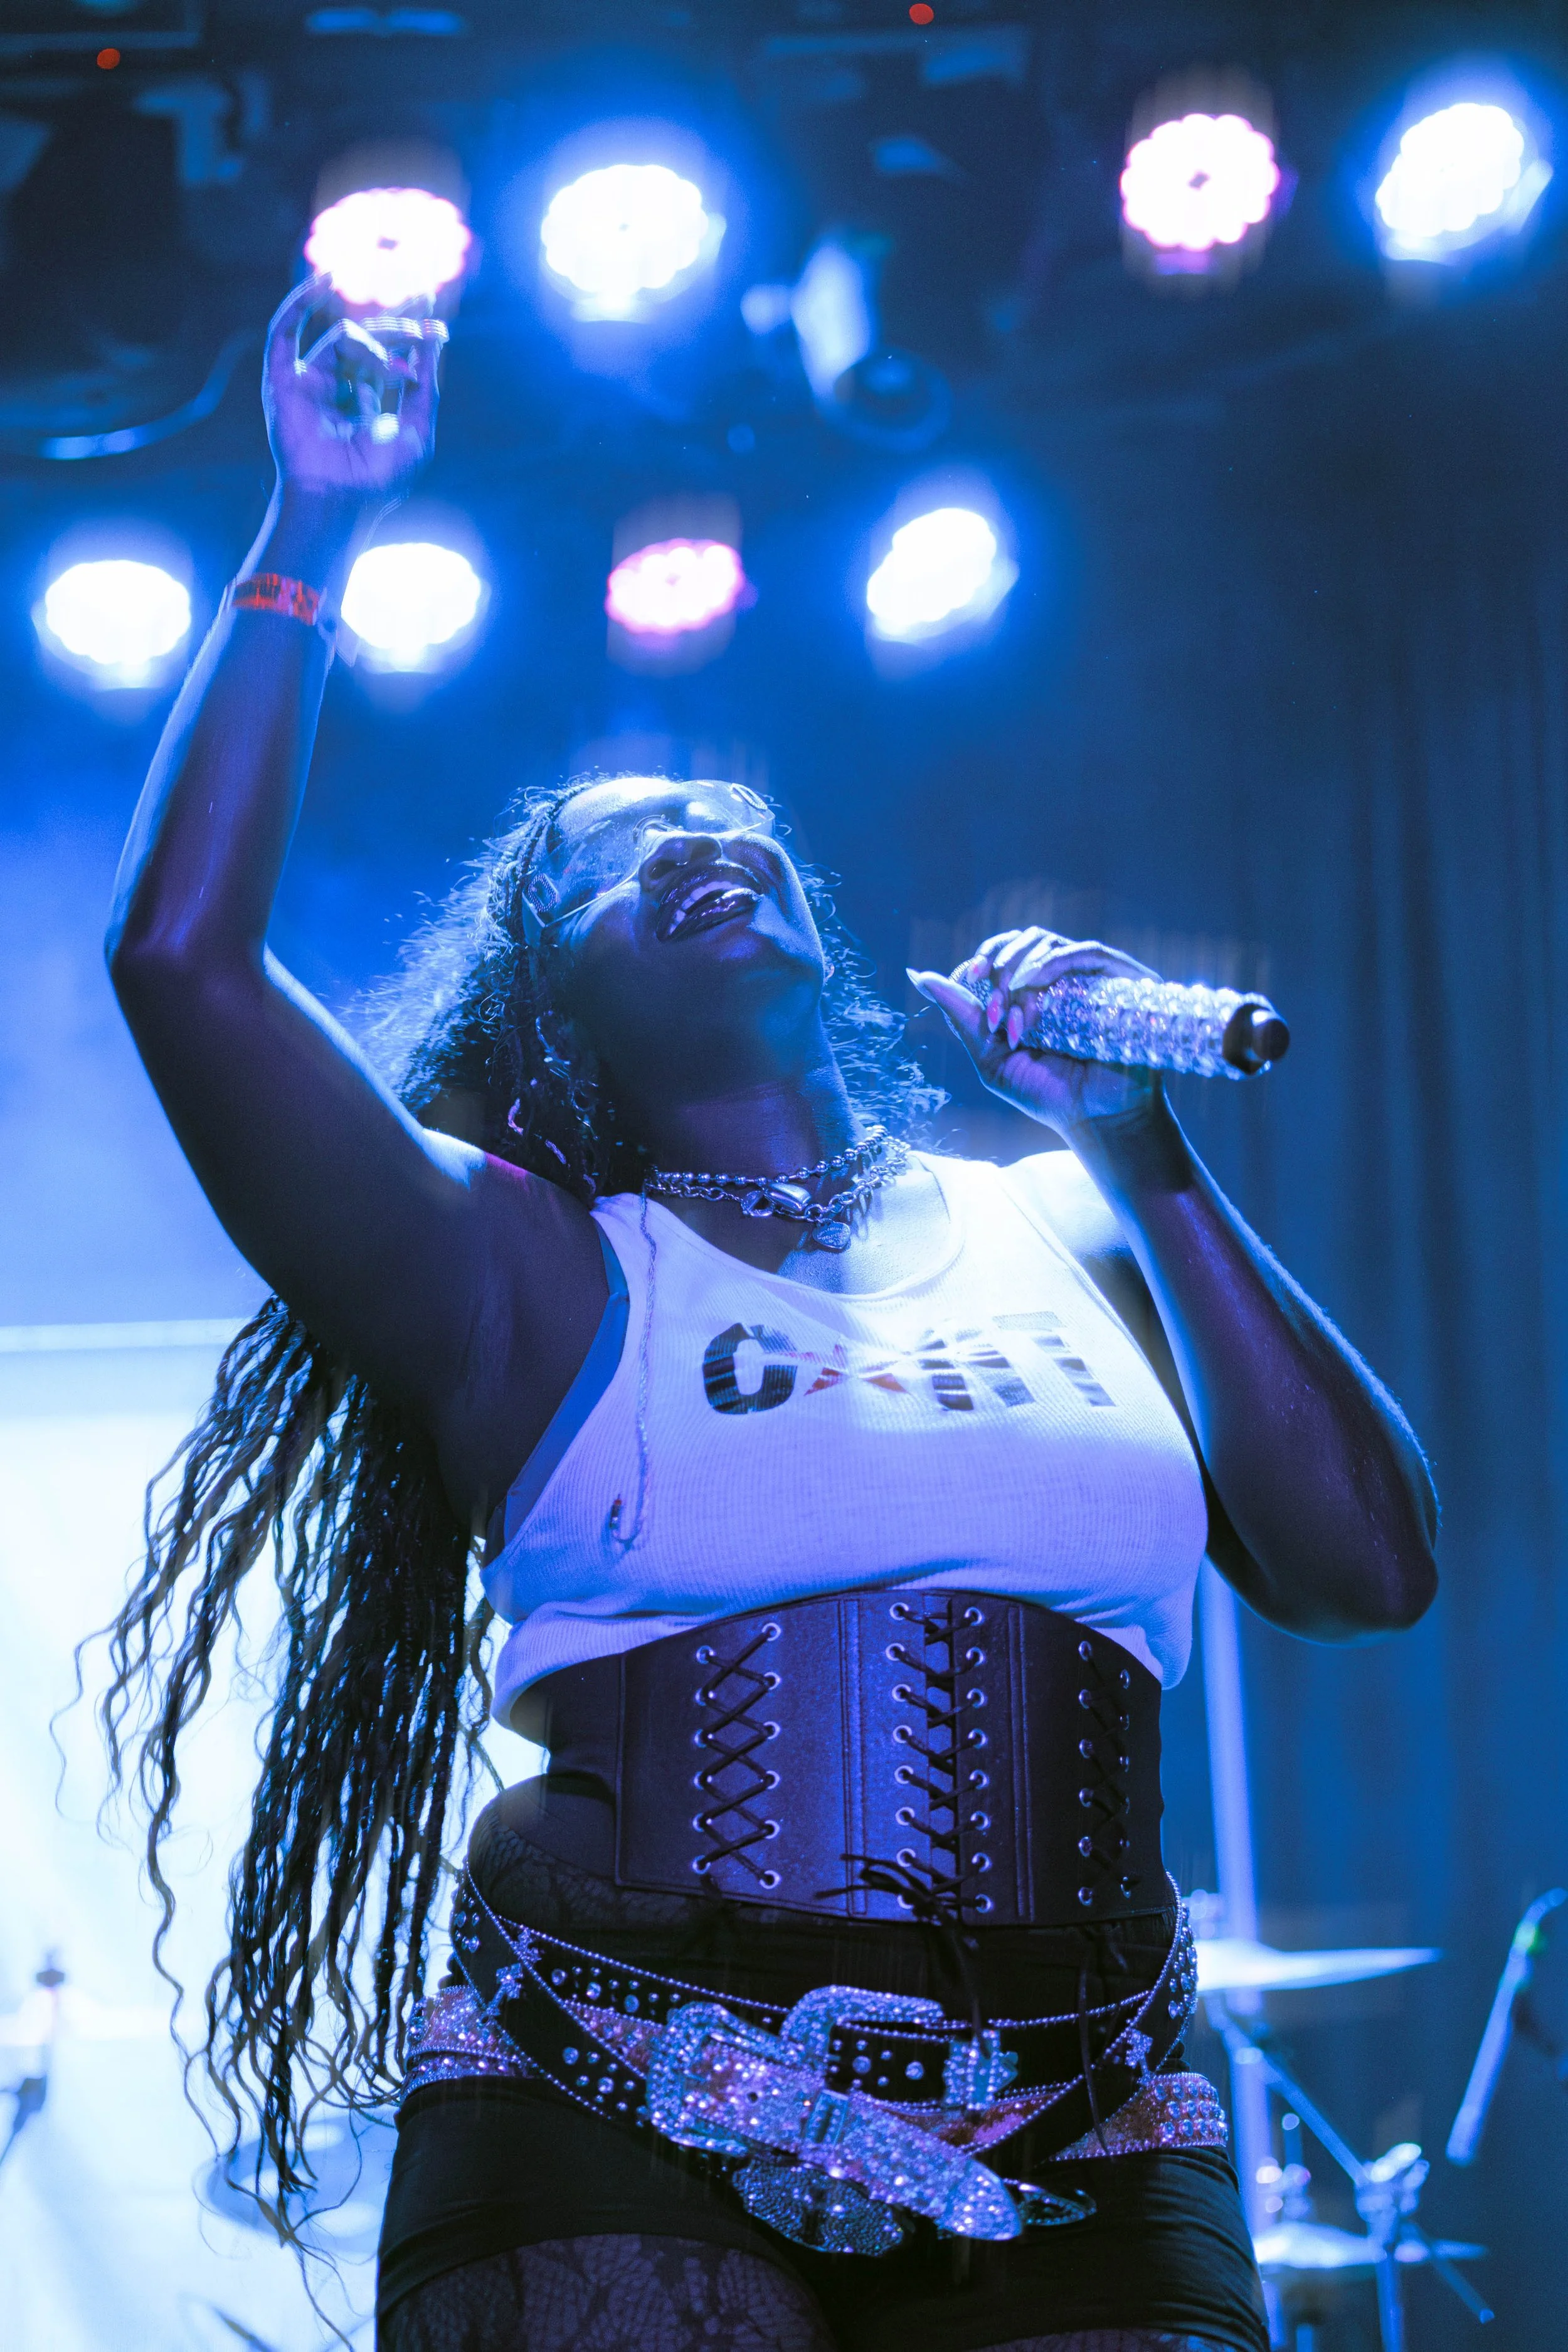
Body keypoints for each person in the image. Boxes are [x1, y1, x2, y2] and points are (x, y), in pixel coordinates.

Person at [100, 278, 1438, 2352]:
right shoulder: (526, 1268)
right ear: (551, 1008)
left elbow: (1364, 1566)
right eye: (617, 862)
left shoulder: (1059, 1227)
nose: (702, 839)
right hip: (608, 2103)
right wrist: (315, 522)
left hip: (1082, 2125)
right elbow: (182, 965)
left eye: (728, 820)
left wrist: (1138, 1149)